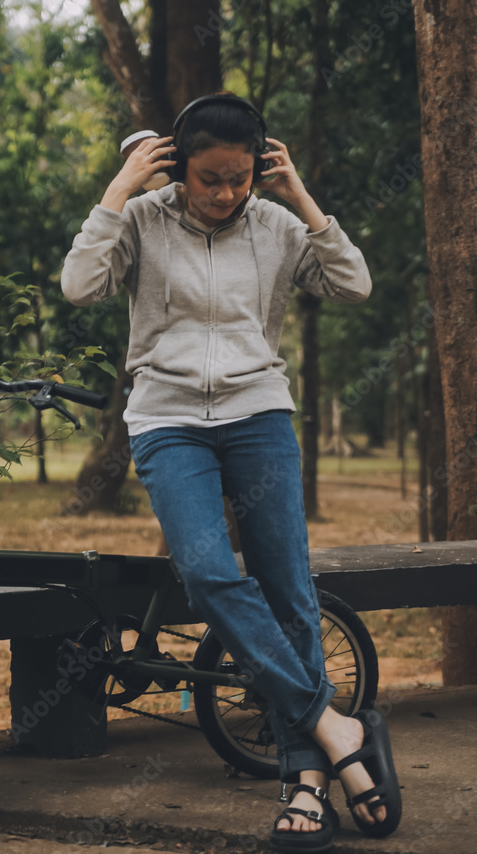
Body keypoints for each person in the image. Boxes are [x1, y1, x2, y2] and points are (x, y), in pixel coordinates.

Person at [61, 93, 402, 851]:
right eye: (208, 178)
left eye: (238, 178)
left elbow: (354, 285)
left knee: (287, 587)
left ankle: (305, 779)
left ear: (259, 168)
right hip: (167, 419)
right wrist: (120, 189)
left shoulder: (276, 225)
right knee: (209, 573)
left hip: (257, 415)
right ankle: (335, 725)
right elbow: (79, 285)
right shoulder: (142, 220)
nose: (223, 194)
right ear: (177, 166)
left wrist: (301, 199)